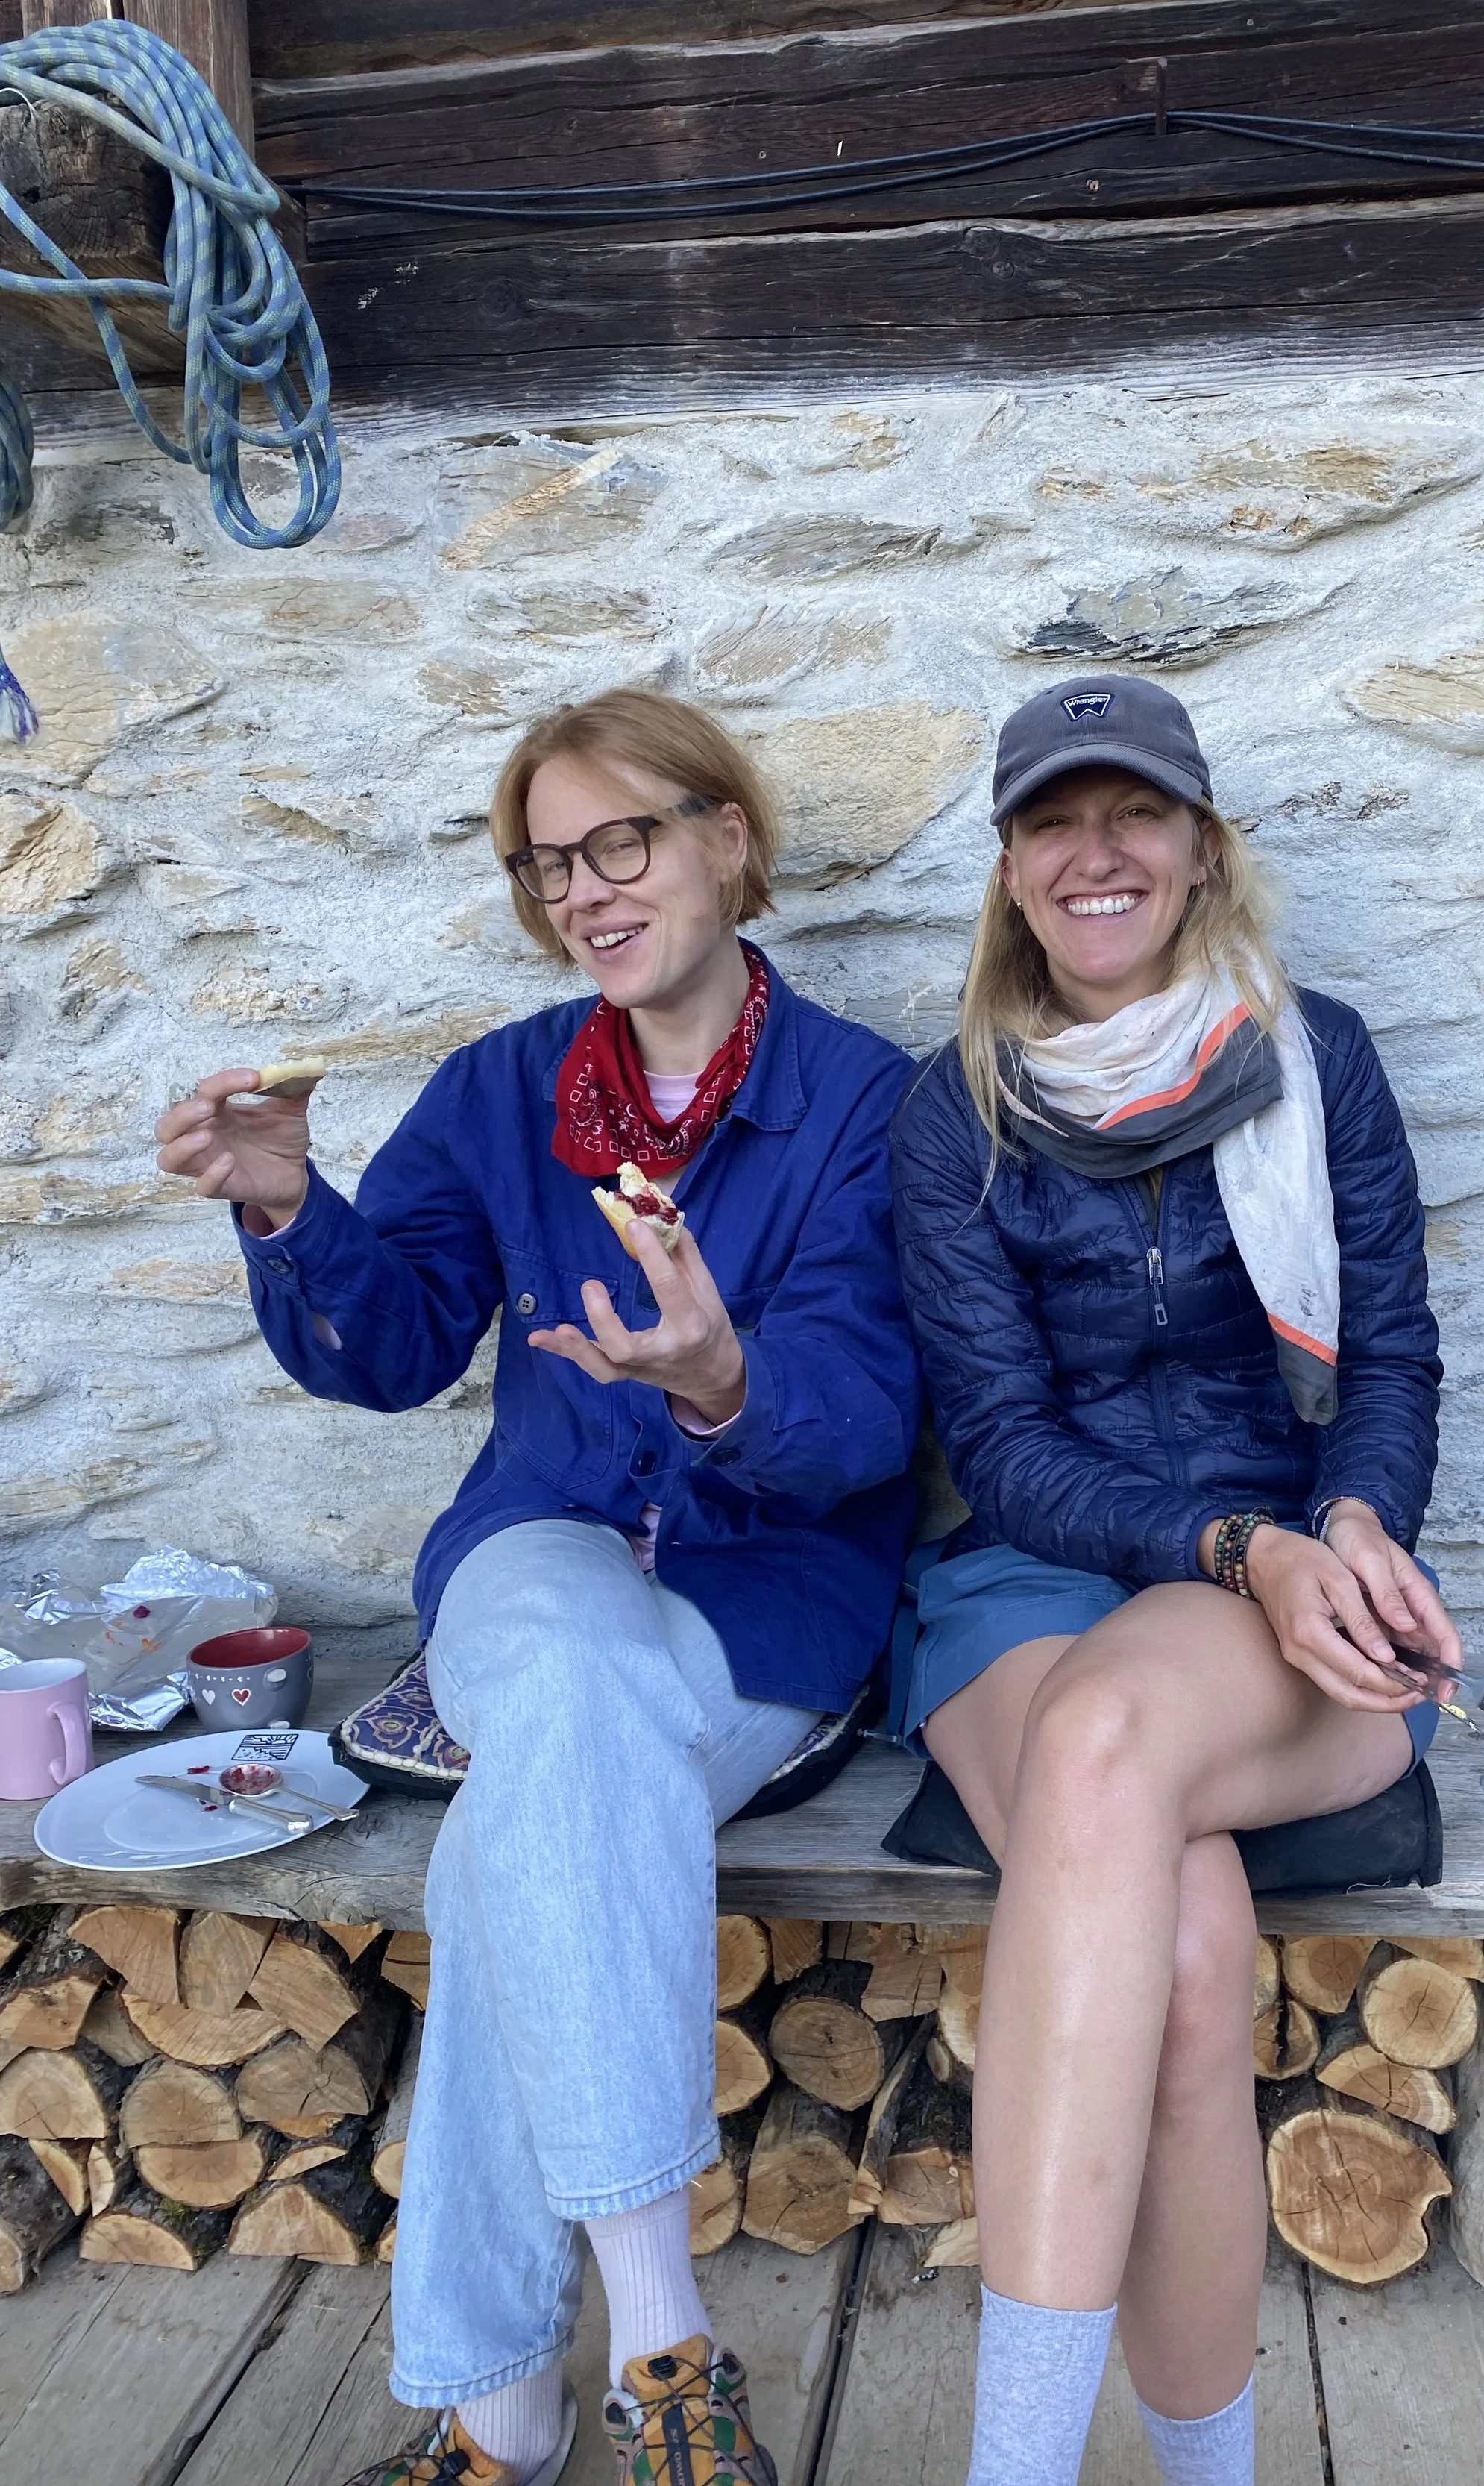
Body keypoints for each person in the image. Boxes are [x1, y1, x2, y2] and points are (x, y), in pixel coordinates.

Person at [155, 690, 919, 2486]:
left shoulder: (867, 1107)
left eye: (619, 841)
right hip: (539, 1551)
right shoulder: (502, 1090)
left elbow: (878, 1410)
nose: (581, 889)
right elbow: (395, 1342)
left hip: (768, 1609)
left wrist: (723, 1381)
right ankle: (666, 2345)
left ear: (730, 837)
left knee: (523, 1813)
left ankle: (497, 2412)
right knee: (564, 1670)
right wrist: (290, 1209)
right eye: (544, 863)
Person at [888, 674, 1458, 2486]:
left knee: (1119, 1742)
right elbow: (999, 1439)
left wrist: (1350, 1527)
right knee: (1194, 1946)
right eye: (1054, 821)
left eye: (1134, 812)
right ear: (1008, 874)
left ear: (1200, 847)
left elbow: (1387, 1362)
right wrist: (1234, 1539)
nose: (1096, 851)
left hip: (1263, 1614)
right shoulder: (953, 1112)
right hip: (1034, 1579)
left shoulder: (1318, 1061)